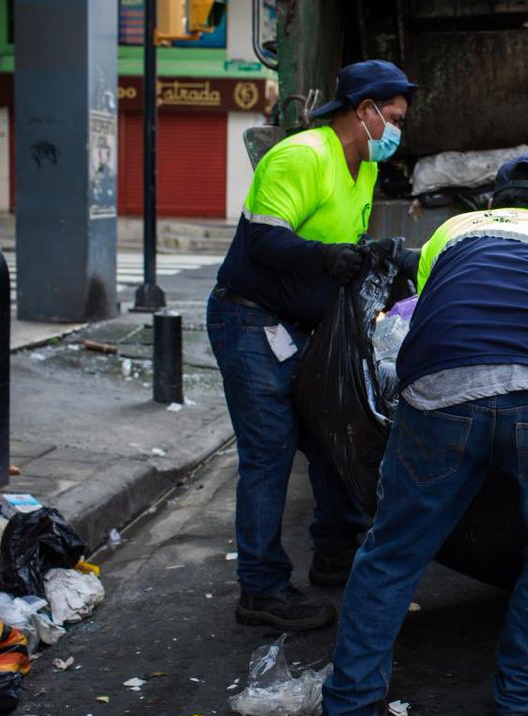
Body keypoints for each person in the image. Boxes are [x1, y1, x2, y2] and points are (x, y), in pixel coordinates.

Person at [320, 154, 528, 716]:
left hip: (438, 396)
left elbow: (434, 315)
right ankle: (521, 697)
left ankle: (348, 712)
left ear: (491, 205)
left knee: (392, 551)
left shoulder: (450, 234)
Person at [207, 60, 417, 631]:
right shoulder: (303, 155)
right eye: (393, 117)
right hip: (251, 322)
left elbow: (342, 237)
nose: (397, 130)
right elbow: (263, 236)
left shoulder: (363, 168)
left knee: (332, 438)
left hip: (302, 327)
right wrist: (322, 259)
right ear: (364, 110)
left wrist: (382, 254)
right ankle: (261, 589)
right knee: (270, 453)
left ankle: (334, 552)